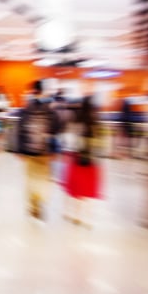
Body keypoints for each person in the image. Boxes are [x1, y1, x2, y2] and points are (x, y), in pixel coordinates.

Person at [18, 80, 61, 220]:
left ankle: (33, 206)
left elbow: (20, 129)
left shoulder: (27, 109)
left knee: (30, 178)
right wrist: (55, 150)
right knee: (43, 178)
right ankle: (40, 202)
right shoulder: (49, 109)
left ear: (32, 91)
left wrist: (20, 150)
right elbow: (56, 129)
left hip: (30, 151)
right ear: (43, 91)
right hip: (44, 151)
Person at [63, 96, 101, 227]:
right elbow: (100, 143)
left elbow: (69, 139)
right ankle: (88, 219)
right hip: (91, 161)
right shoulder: (96, 121)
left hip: (76, 157)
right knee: (88, 191)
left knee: (75, 189)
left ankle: (74, 214)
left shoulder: (76, 120)